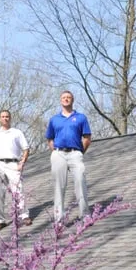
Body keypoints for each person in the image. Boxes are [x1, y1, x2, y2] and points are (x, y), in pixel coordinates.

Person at [45, 90, 91, 221]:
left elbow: (87, 137)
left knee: (80, 180)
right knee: (59, 186)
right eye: (64, 97)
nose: (66, 99)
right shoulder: (54, 119)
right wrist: (55, 151)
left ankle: (85, 215)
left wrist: (80, 152)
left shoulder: (81, 117)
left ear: (72, 100)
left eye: (68, 97)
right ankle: (59, 219)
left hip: (75, 153)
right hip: (59, 153)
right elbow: (50, 139)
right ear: (60, 100)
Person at [0, 109, 31, 231]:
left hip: (13, 164)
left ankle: (24, 215)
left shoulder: (17, 133)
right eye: (2, 116)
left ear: (10, 118)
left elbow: (26, 149)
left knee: (18, 190)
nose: (5, 118)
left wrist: (22, 162)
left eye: (7, 116)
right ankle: (0, 220)